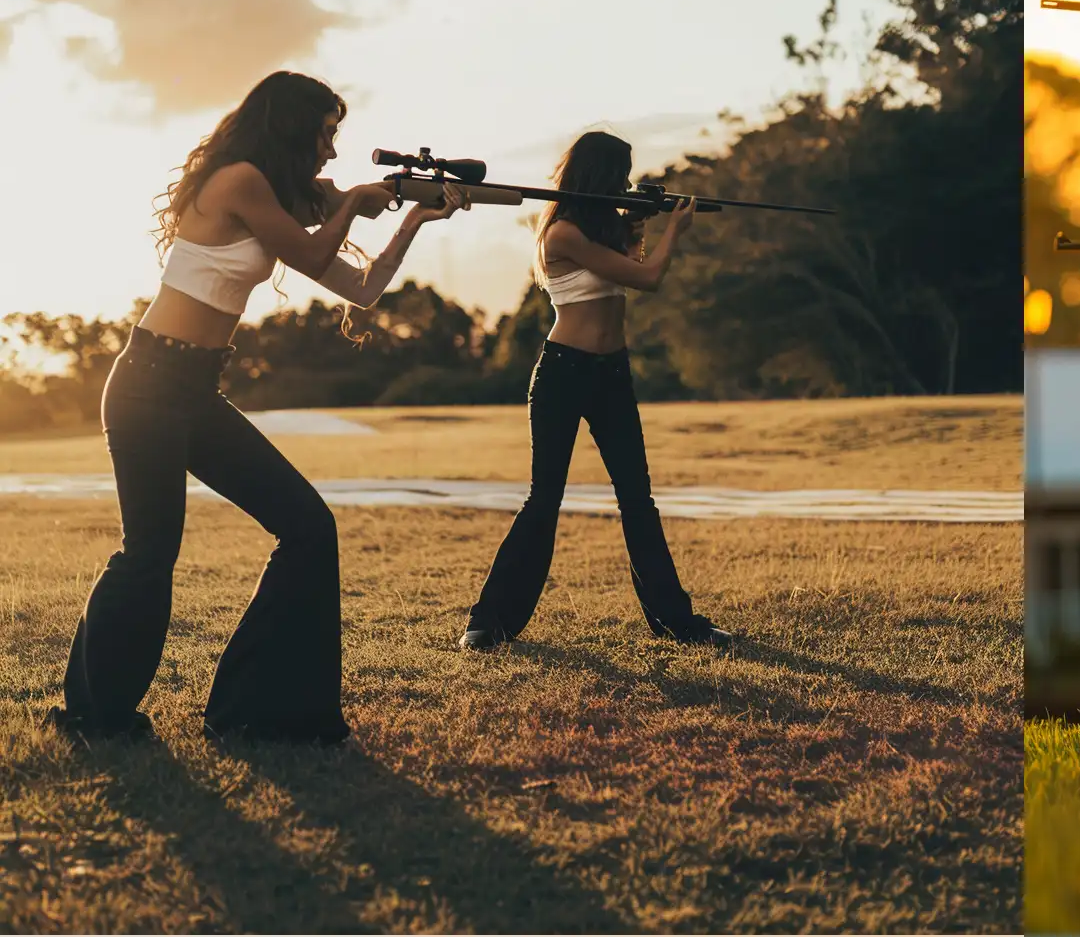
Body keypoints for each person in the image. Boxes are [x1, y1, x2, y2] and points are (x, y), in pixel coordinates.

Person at [54, 70, 466, 743]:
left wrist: (415, 217)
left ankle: (259, 710)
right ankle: (92, 717)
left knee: (308, 527)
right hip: (148, 383)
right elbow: (309, 252)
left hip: (193, 390)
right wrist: (354, 200)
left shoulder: (277, 197)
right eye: (326, 133)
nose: (332, 150)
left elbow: (362, 290)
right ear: (292, 126)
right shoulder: (240, 179)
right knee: (149, 555)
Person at [460, 131, 727, 650]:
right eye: (620, 176)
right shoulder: (562, 234)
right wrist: (677, 228)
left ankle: (676, 622)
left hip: (612, 373)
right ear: (599, 176)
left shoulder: (600, 229)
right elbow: (647, 278)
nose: (626, 184)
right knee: (544, 499)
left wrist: (638, 223)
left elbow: (628, 266)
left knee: (637, 500)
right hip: (565, 371)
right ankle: (489, 624)